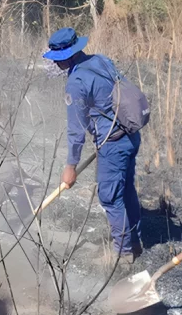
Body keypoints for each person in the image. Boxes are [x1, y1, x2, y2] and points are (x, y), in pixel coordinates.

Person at [43, 27, 143, 264]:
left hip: (113, 143)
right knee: (125, 189)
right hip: (130, 136)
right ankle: (133, 241)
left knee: (110, 196)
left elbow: (76, 128)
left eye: (58, 59)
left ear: (67, 56)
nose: (56, 64)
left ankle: (123, 253)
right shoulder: (100, 60)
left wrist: (71, 165)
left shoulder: (76, 82)